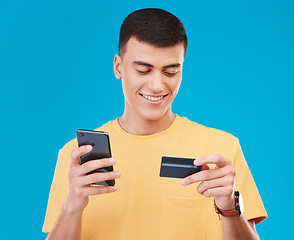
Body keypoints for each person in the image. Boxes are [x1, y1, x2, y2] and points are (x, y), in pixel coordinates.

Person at [43, 8, 267, 240]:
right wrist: (72, 205)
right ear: (118, 67)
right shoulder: (78, 158)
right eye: (143, 70)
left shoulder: (221, 151)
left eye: (170, 72)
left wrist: (229, 208)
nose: (157, 85)